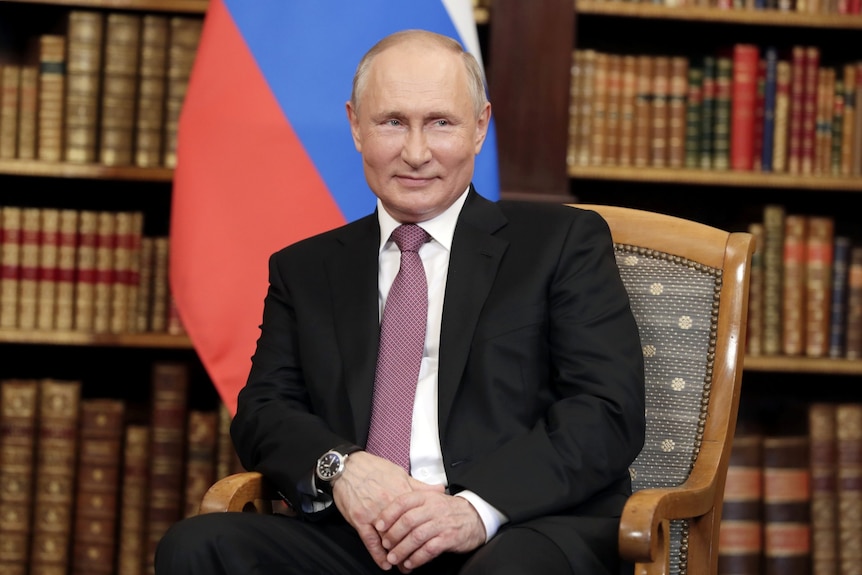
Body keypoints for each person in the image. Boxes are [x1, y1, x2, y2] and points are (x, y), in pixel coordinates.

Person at [155, 28, 645, 575]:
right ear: (356, 127)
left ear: (480, 127)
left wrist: (474, 510)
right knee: (197, 547)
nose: (415, 153)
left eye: (440, 122)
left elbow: (605, 412)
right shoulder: (306, 269)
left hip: (515, 529)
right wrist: (341, 468)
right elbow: (264, 413)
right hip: (362, 538)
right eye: (392, 122)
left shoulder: (559, 243)